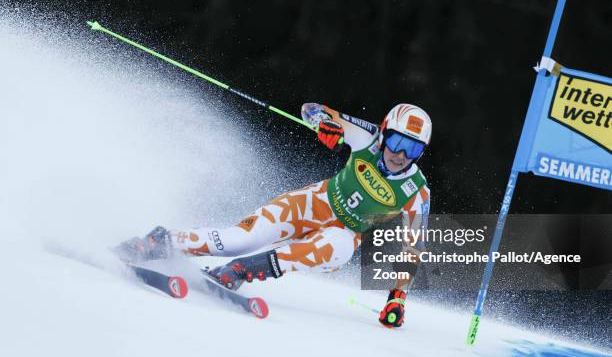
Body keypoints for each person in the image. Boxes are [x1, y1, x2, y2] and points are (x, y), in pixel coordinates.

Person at [119, 103, 431, 328]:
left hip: (345, 233)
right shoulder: (367, 138)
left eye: (412, 150)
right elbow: (311, 109)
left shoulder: (417, 191)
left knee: (335, 247)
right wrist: (324, 124)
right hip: (313, 202)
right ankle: (161, 241)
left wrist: (397, 298)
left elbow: (413, 248)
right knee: (241, 238)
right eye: (397, 142)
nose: (400, 155)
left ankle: (239, 271)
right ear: (385, 132)